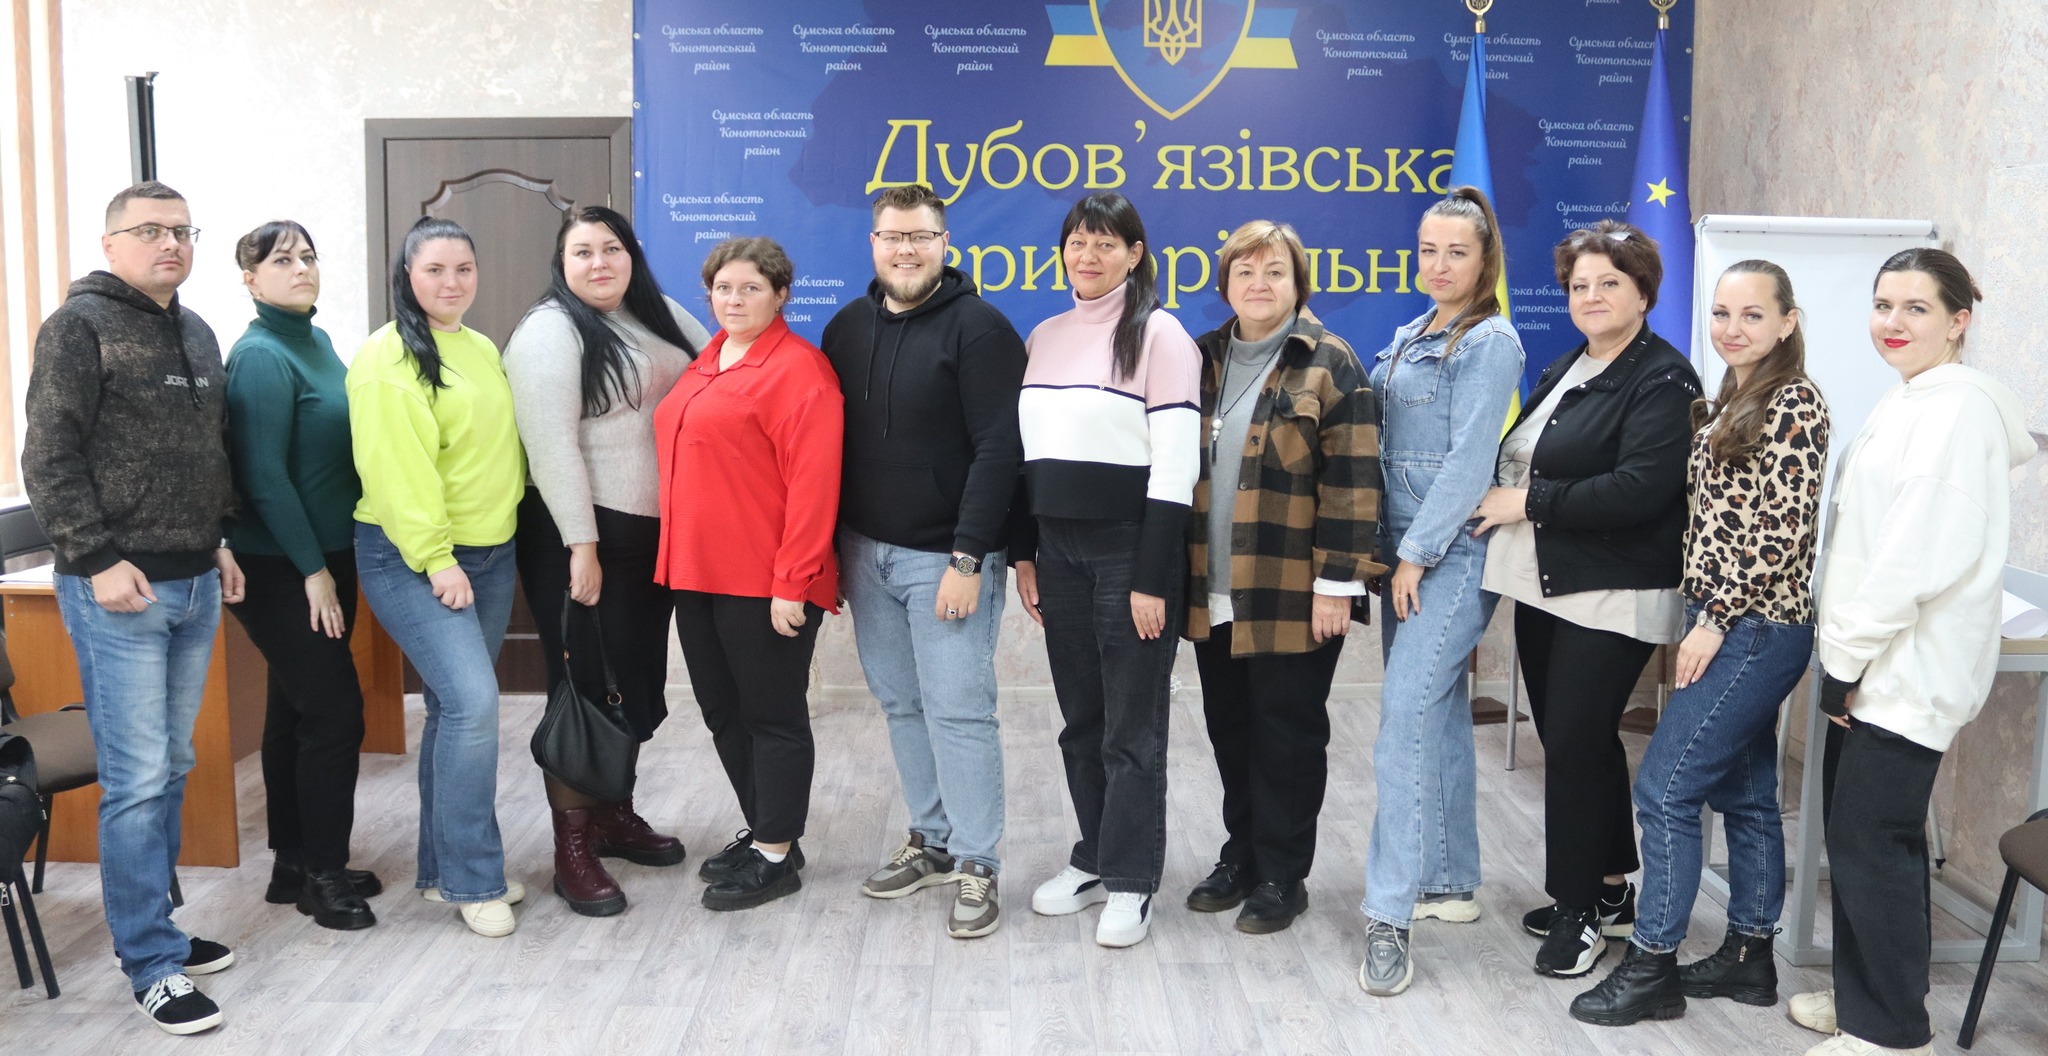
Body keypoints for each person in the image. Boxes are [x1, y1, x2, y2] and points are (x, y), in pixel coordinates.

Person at [1787, 249, 2035, 1056]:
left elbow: (1914, 556)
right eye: (1883, 304)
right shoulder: (1913, 396)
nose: (1892, 323)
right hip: (1879, 658)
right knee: (1865, 843)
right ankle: (1870, 1002)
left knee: (1874, 846)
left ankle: (1890, 1034)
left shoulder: (1954, 411)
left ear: (1959, 321)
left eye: (1916, 308)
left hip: (1903, 667)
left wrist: (1845, 660)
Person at [1570, 260, 1830, 1025]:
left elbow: (1782, 531)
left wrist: (1714, 619)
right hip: (1723, 619)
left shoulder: (1795, 401)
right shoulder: (1734, 395)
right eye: (1722, 313)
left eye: (1753, 315)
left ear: (1787, 321)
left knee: (1665, 789)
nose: (1732, 328)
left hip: (1755, 625)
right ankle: (1750, 956)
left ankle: (1652, 963)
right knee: (1745, 794)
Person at [22, 180, 242, 1034]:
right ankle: (150, 963)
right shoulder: (78, 328)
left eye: (183, 230)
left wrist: (218, 539)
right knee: (138, 777)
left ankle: (160, 930)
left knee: (172, 765)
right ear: (111, 243)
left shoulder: (197, 330)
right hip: (118, 589)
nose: (171, 243)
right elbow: (49, 456)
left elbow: (206, 452)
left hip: (193, 580)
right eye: (150, 230)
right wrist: (96, 557)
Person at [1472, 219, 1701, 978]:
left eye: (1610, 283)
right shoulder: (1573, 362)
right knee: (1579, 741)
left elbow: (1640, 490)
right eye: (1579, 285)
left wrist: (1527, 501)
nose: (1592, 296)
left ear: (1644, 293)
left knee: (1573, 745)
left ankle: (1577, 912)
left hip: (1613, 590)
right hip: (1549, 582)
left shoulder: (1663, 378)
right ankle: (1608, 890)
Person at [823, 184, 1027, 938]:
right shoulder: (845, 328)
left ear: (945, 243)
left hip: (945, 557)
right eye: (892, 236)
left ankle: (978, 862)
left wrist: (968, 559)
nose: (905, 249)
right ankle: (933, 840)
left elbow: (1000, 451)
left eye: (920, 236)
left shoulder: (982, 330)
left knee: (959, 710)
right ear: (873, 243)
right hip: (864, 554)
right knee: (902, 704)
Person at [1182, 219, 1384, 939]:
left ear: (1299, 283)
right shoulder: (1199, 359)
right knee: (1229, 729)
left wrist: (1337, 585)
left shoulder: (1330, 362)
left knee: (1287, 735)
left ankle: (1282, 875)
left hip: (1293, 593)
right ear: (1225, 283)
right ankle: (1241, 854)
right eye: (1245, 272)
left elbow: (1355, 482)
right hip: (1213, 587)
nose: (1259, 284)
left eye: (1275, 272)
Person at [505, 205, 709, 917]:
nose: (599, 263)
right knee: (585, 689)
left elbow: (719, 364)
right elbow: (550, 446)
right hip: (582, 536)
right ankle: (572, 850)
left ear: (632, 254)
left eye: (611, 248)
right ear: (561, 263)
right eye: (583, 251)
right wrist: (580, 546)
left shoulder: (656, 312)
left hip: (653, 537)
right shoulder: (549, 330)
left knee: (633, 681)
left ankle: (613, 814)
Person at [1017, 191, 1201, 948]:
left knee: (1131, 728)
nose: (1087, 255)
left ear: (1134, 254)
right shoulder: (1044, 336)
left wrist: (1152, 577)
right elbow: (1026, 459)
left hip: (1130, 548)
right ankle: (1094, 857)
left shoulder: (1161, 335)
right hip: (1057, 550)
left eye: (1105, 243)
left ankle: (1131, 879)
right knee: (1081, 723)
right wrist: (1025, 554)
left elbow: (1177, 468)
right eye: (1077, 241)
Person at [1357, 189, 1525, 996]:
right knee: (1438, 709)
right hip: (1402, 551)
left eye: (1456, 252)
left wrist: (1417, 555)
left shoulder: (1490, 342)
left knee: (1403, 719)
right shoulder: (1410, 335)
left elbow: (1467, 463)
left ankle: (1387, 914)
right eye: (1428, 250)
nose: (1439, 265)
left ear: (1484, 259)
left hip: (1448, 555)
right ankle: (1449, 881)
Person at [349, 216, 526, 938]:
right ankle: (473, 878)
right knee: (474, 705)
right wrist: (438, 558)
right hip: (413, 556)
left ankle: (437, 869)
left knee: (454, 710)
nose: (451, 283)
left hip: (490, 552)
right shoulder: (386, 357)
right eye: (434, 270)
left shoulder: (478, 347)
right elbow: (398, 474)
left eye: (463, 269)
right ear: (407, 276)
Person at [655, 236, 843, 911]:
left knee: (772, 716)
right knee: (723, 712)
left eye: (751, 288)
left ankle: (776, 854)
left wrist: (793, 582)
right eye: (723, 288)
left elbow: (814, 485)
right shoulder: (707, 360)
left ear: (781, 295)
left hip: (765, 582)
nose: (733, 300)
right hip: (696, 573)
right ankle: (769, 833)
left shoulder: (799, 370)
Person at [222, 220, 383, 932]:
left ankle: (293, 863)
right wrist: (313, 570)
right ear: (250, 279)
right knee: (335, 713)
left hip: (326, 554)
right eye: (281, 259)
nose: (300, 268)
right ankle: (324, 875)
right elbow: (263, 477)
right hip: (281, 564)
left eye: (308, 256)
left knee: (294, 708)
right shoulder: (260, 356)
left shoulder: (314, 342)